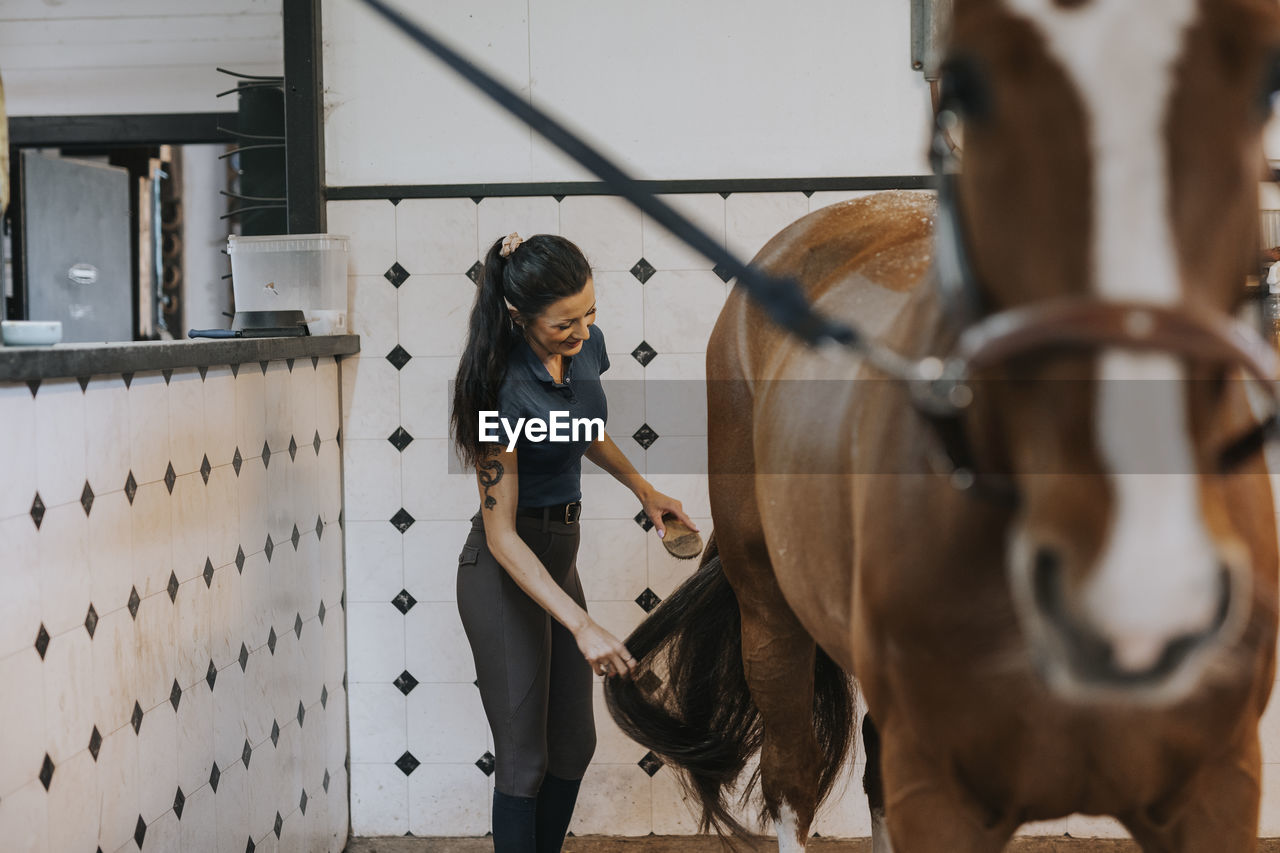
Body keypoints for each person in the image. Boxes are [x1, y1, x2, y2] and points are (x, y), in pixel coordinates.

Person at [450, 232, 698, 853]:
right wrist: (582, 625)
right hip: (505, 568)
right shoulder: (494, 388)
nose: (583, 331)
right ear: (518, 316)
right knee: (524, 759)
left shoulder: (584, 344)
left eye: (590, 312)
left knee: (574, 746)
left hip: (561, 551)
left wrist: (643, 488)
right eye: (565, 323)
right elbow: (502, 534)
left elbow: (578, 426)